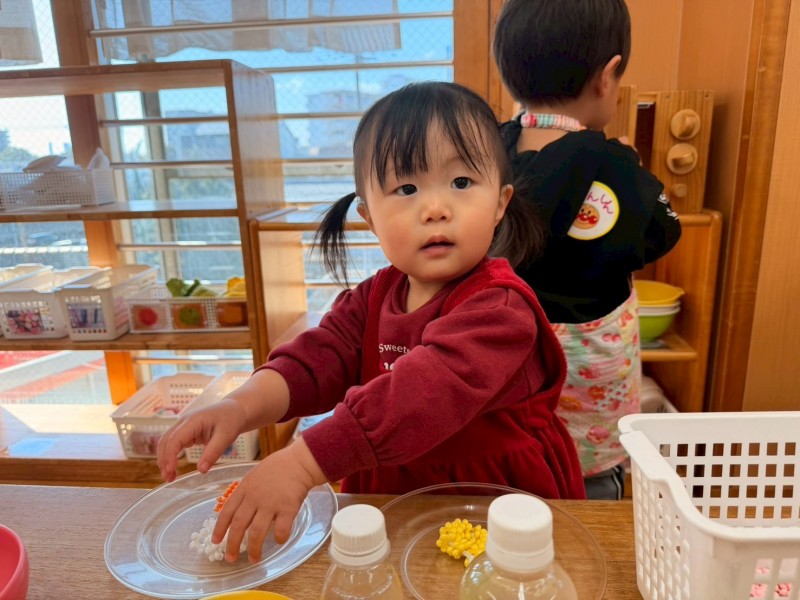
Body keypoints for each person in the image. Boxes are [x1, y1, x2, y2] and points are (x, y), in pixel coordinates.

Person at [157, 81, 586, 563]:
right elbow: (317, 358)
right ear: (369, 217)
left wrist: (302, 464)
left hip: (495, 497)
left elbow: (421, 395)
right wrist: (242, 405)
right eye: (407, 189)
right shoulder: (373, 297)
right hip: (391, 489)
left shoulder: (500, 309)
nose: (436, 209)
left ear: (501, 202)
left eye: (462, 182)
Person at [492, 0, 682, 499]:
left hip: (507, 369)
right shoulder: (614, 164)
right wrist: (632, 175)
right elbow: (663, 232)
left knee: (515, 468)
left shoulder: (488, 152)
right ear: (607, 76)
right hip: (591, 374)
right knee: (589, 486)